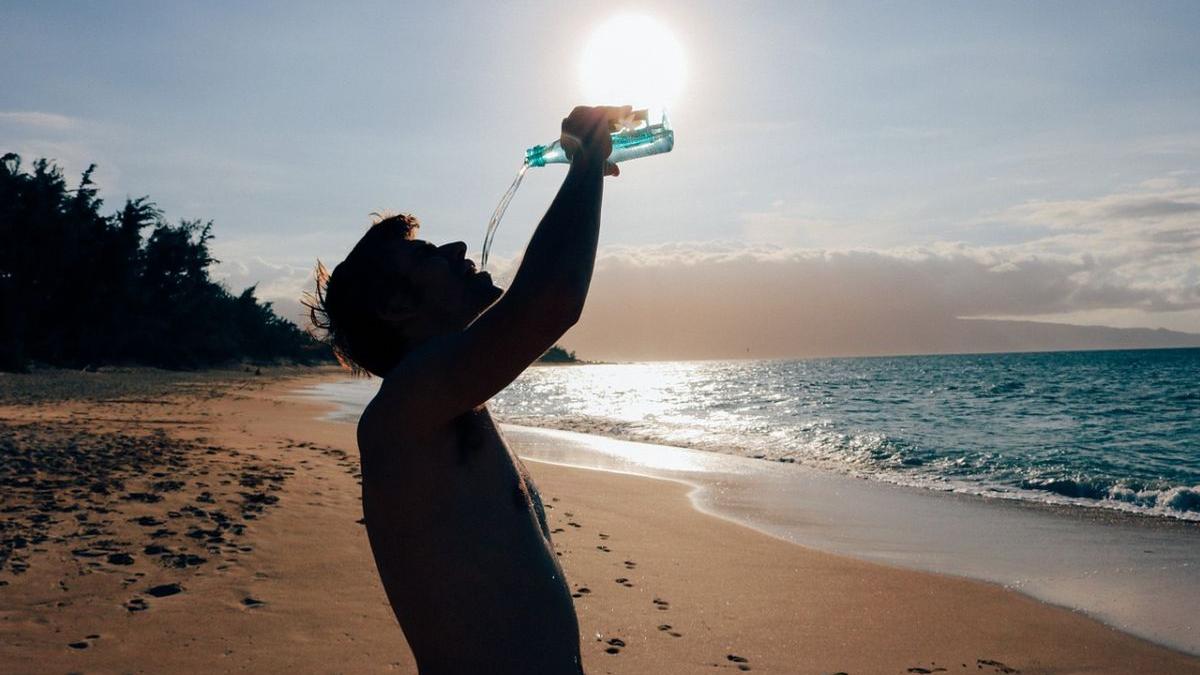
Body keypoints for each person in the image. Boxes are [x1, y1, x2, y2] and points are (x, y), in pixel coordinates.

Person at [306, 105, 630, 674]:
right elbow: (549, 302)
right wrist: (583, 162)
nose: (457, 248)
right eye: (426, 254)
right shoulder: (402, 413)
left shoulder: (451, 408)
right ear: (397, 306)